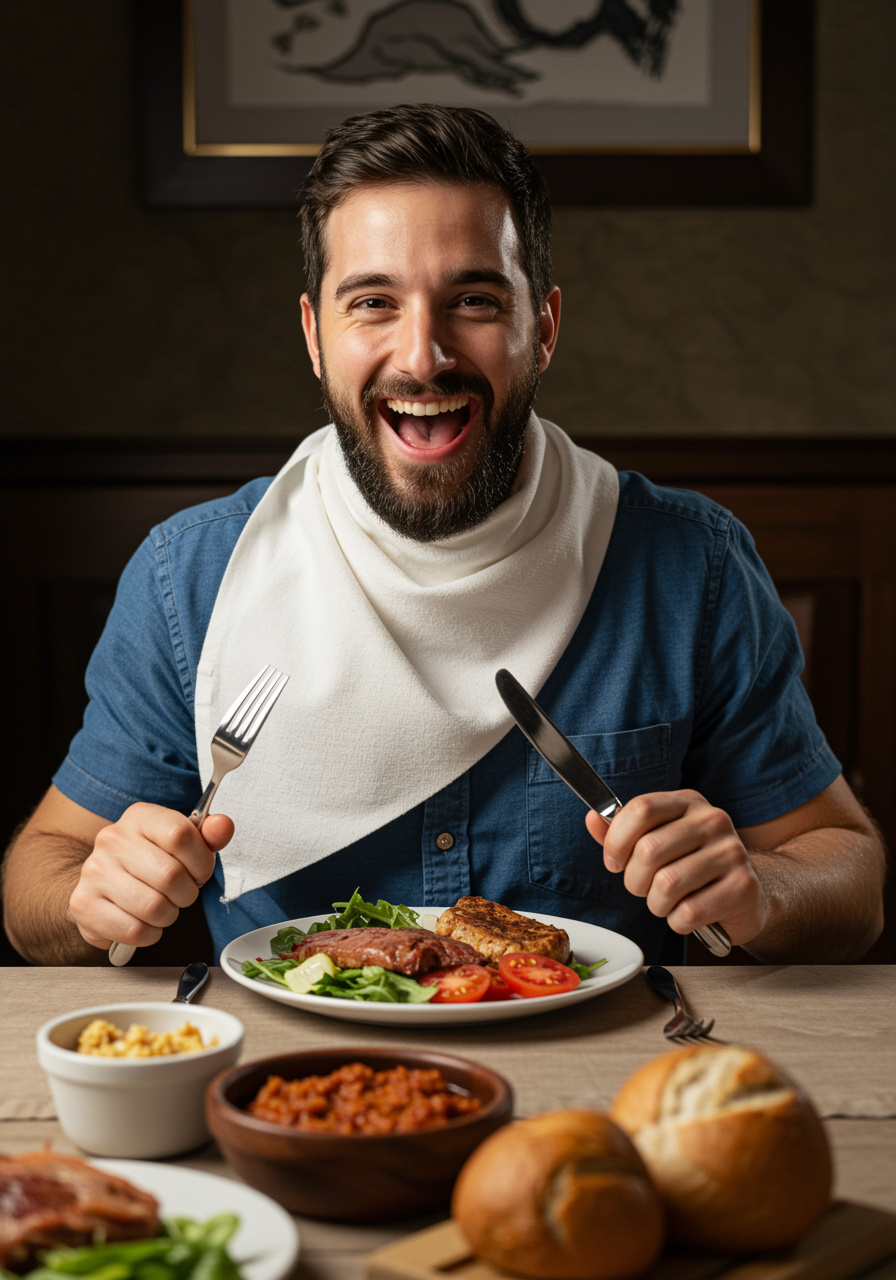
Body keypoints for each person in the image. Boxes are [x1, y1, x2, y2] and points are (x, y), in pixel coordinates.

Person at [3, 105, 885, 967]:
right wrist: (94, 896)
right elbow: (37, 881)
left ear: (541, 329)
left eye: (472, 299)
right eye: (373, 302)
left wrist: (763, 892)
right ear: (316, 336)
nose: (422, 356)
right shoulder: (188, 575)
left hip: (599, 1088)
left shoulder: (692, 564)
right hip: (290, 1090)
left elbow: (847, 878)